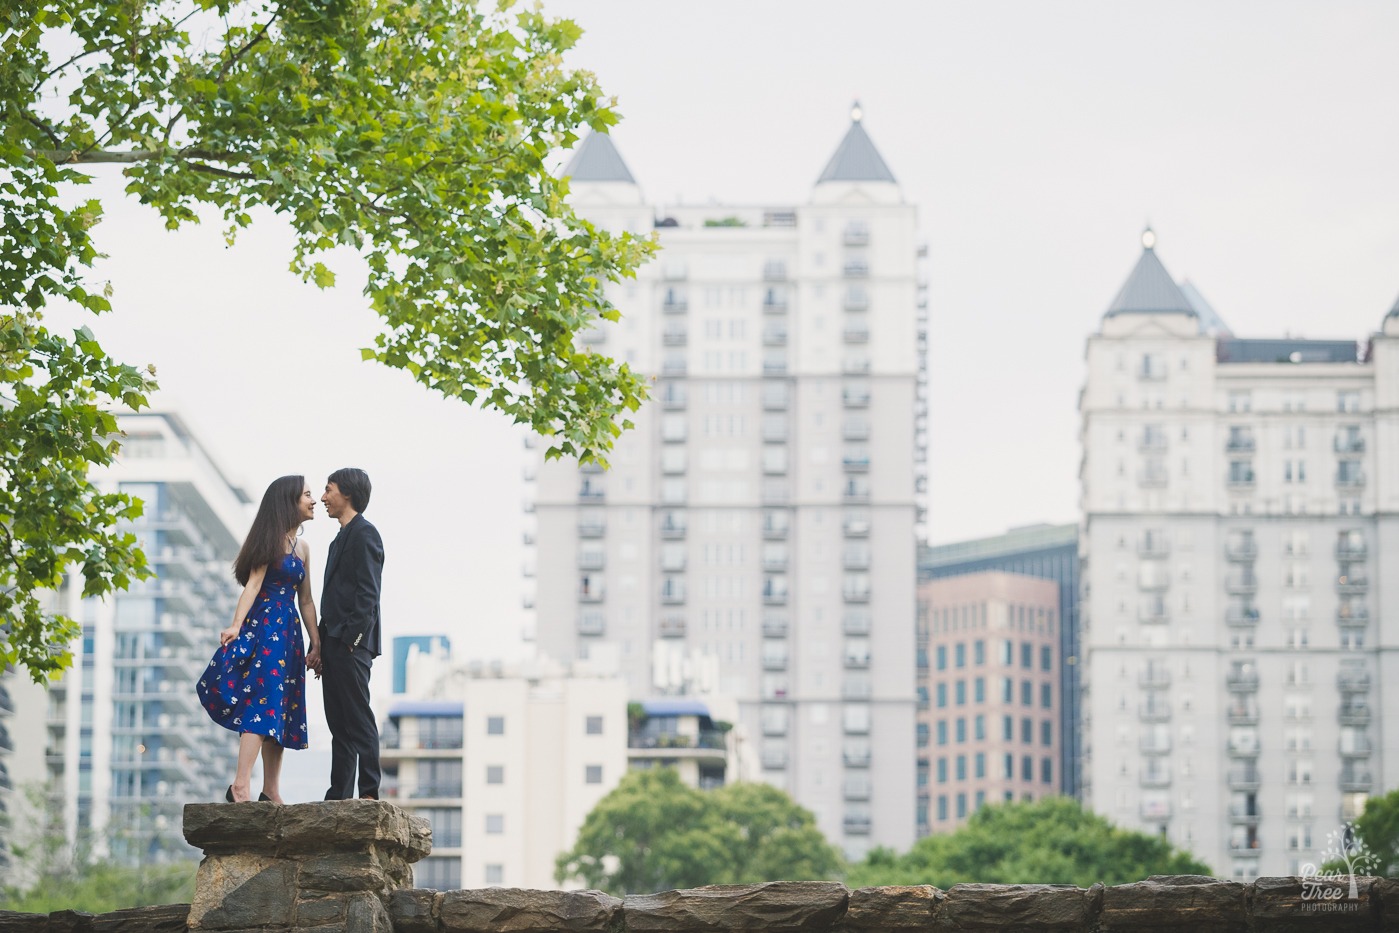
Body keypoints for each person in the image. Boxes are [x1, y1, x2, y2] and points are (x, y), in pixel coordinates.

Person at [197, 475, 321, 803]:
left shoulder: (304, 548)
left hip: (290, 634)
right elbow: (252, 585)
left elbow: (306, 600)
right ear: (288, 501)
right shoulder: (271, 540)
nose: (313, 500)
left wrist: (316, 642)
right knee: (261, 704)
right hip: (265, 629)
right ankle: (240, 785)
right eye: (307, 494)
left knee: (281, 708)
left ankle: (271, 789)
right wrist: (236, 625)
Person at [318, 467, 385, 800]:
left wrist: (351, 641)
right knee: (338, 724)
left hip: (352, 645)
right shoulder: (336, 541)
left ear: (346, 493)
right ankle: (339, 795)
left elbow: (368, 596)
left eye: (328, 489)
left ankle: (369, 792)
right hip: (332, 644)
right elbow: (330, 599)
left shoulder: (365, 534)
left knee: (359, 718)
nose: (322, 497)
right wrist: (320, 644)